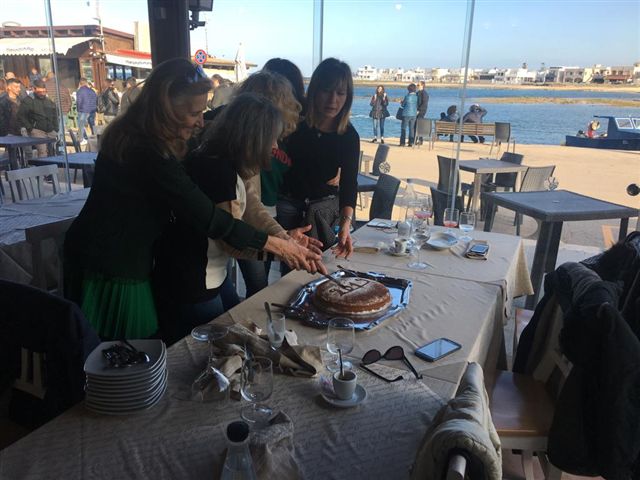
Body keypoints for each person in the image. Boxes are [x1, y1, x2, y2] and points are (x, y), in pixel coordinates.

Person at [63, 58, 324, 341]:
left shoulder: (148, 138)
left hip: (122, 256)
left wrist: (283, 239)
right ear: (167, 109)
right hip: (113, 263)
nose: (202, 121)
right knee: (124, 353)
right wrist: (279, 247)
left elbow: (243, 202)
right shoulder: (148, 153)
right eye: (194, 113)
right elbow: (214, 221)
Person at [153, 92, 322, 344]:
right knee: (212, 350)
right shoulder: (219, 173)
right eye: (272, 138)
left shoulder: (220, 160)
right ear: (253, 138)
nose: (275, 147)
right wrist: (284, 251)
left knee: (241, 331)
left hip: (211, 275)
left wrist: (285, 239)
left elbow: (249, 209)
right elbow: (231, 242)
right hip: (193, 283)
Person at [278, 57, 359, 264]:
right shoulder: (295, 125)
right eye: (326, 91)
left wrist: (345, 225)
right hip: (286, 206)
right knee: (288, 267)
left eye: (340, 93)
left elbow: (349, 184)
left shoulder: (349, 136)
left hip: (321, 212)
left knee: (316, 266)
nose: (333, 100)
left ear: (348, 97)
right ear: (314, 91)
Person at [235, 67, 305, 298]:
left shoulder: (284, 140)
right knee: (258, 287)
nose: (274, 145)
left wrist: (283, 240)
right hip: (249, 220)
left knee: (260, 285)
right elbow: (233, 229)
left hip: (269, 211)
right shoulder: (236, 156)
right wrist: (282, 245)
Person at [16, 79, 58, 158]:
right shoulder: (28, 100)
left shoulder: (49, 100)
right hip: (37, 130)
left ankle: (52, 165)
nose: (42, 94)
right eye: (40, 92)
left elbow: (55, 114)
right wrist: (30, 128)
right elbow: (21, 115)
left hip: (50, 129)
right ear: (34, 89)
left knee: (53, 151)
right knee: (42, 151)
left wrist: (56, 128)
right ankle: (43, 165)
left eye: (44, 91)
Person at [415, 81, 429, 145]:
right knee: (415, 125)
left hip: (421, 111)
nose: (417, 86)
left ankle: (420, 140)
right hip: (416, 110)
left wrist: (419, 110)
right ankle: (415, 139)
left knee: (419, 125)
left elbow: (424, 104)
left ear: (422, 86)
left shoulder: (424, 93)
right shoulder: (417, 93)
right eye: (417, 85)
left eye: (419, 85)